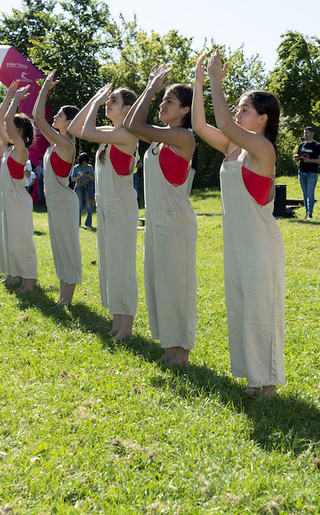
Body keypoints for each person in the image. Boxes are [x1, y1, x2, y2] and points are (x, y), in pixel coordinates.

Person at [192, 50, 285, 397]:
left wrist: (218, 80)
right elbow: (201, 126)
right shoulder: (233, 147)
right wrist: (200, 81)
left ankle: (269, 384)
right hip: (235, 241)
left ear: (263, 119)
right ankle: (253, 377)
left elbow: (226, 124)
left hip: (260, 245)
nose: (237, 113)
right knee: (241, 308)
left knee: (261, 311)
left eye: (245, 108)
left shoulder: (262, 148)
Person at [124, 65, 198, 365]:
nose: (163, 105)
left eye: (169, 101)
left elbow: (132, 124)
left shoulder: (183, 137)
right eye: (163, 99)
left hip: (176, 222)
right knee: (160, 284)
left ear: (185, 110)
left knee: (176, 284)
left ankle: (181, 351)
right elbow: (133, 122)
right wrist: (151, 90)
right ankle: (170, 346)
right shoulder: (158, 138)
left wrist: (151, 89)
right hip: (157, 221)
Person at [69, 83, 139, 339]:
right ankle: (117, 323)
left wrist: (97, 101)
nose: (108, 103)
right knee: (110, 265)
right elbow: (75, 128)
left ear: (128, 108)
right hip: (108, 209)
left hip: (121, 208)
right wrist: (94, 100)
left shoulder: (126, 135)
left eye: (114, 101)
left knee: (123, 266)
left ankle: (126, 328)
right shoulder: (111, 133)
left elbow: (85, 131)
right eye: (108, 100)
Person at [0, 83, 38, 292]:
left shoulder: (21, 150)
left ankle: (29, 281)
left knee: (22, 241)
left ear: (22, 133)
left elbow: (7, 120)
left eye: (14, 129)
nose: (7, 131)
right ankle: (13, 275)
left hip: (18, 201)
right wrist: (7, 99)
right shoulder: (6, 151)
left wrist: (15, 100)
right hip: (7, 201)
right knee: (10, 240)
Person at [33, 70, 82, 306]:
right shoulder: (55, 143)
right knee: (59, 249)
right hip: (56, 202)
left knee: (67, 249)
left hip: (64, 202)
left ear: (69, 123)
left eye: (60, 115)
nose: (56, 116)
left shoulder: (65, 143)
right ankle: (64, 297)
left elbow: (38, 118)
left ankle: (67, 300)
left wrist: (45, 89)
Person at [294, 126, 320, 219]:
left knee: (310, 193)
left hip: (312, 173)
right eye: (304, 133)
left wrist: (310, 160)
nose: (305, 135)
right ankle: (307, 213)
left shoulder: (317, 146)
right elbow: (296, 158)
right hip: (302, 172)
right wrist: (297, 157)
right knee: (305, 194)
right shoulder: (301, 145)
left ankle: (310, 213)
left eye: (306, 133)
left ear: (312, 133)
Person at [71, 153, 95, 228]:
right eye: (84, 161)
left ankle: (88, 223)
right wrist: (81, 175)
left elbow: (94, 179)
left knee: (88, 205)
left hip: (88, 186)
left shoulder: (90, 167)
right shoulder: (76, 168)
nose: (85, 163)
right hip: (79, 186)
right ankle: (77, 223)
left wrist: (89, 176)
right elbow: (72, 179)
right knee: (79, 205)